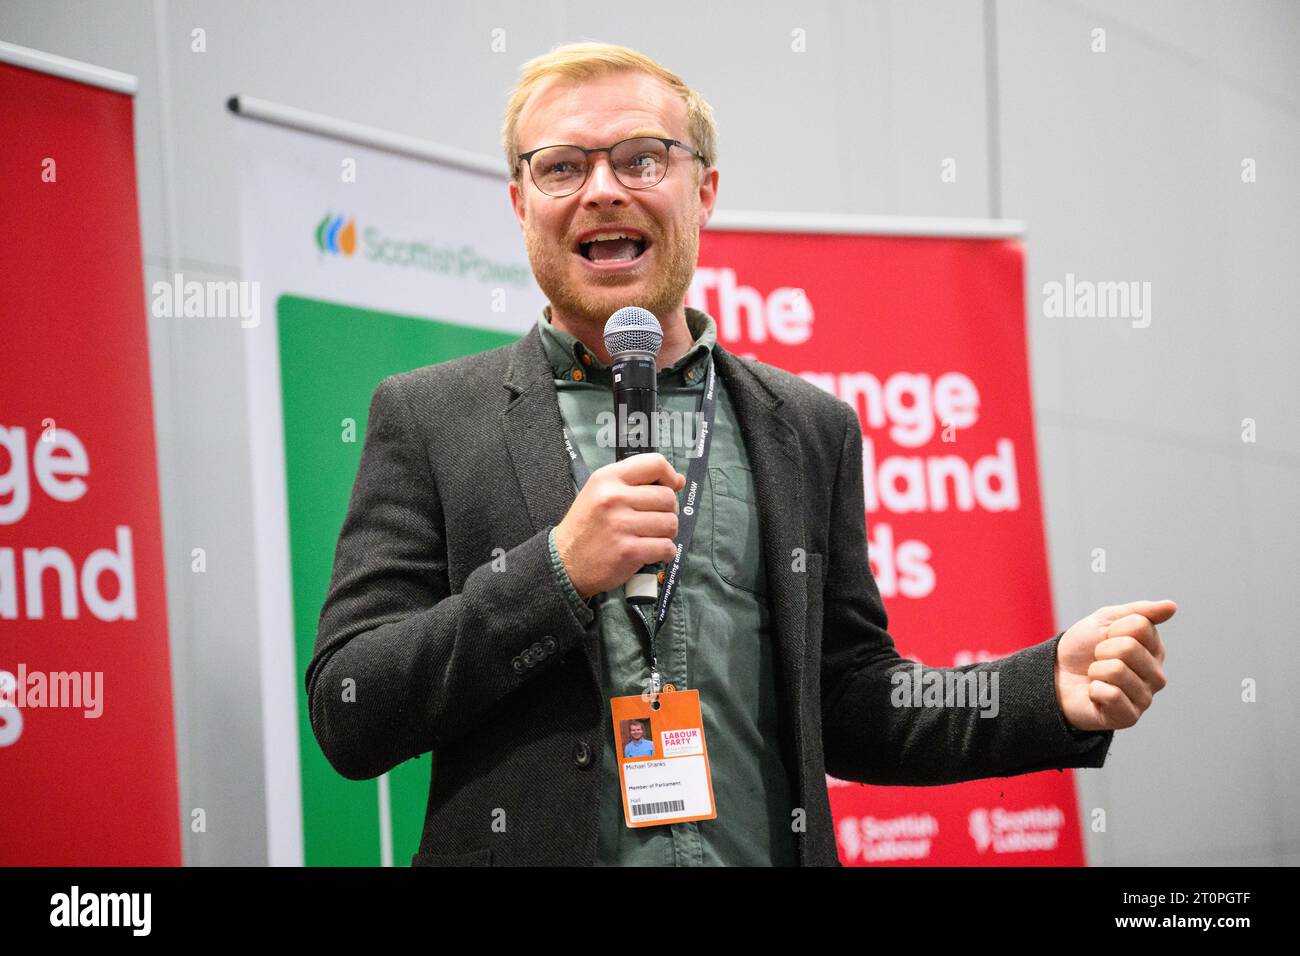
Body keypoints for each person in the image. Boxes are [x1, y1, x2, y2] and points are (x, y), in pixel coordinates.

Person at [307, 41, 1174, 867]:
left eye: (642, 158)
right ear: (520, 203)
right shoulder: (427, 418)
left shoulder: (808, 427)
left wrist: (1030, 693)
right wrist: (557, 574)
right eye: (562, 166)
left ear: (705, 191)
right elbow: (351, 710)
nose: (602, 189)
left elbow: (848, 699)